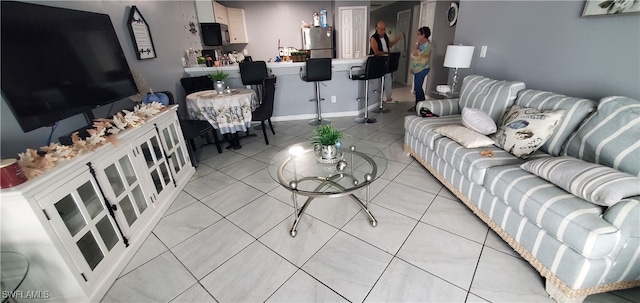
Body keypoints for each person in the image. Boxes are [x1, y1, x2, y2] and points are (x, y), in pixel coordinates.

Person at [370, 21, 404, 103]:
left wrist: (399, 38)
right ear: (377, 29)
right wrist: (387, 53)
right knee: (378, 80)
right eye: (382, 29)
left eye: (385, 29)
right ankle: (377, 99)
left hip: (386, 61)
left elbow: (390, 44)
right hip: (377, 61)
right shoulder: (373, 38)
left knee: (388, 78)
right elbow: (376, 52)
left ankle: (389, 98)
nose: (384, 31)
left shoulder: (385, 36)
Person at [408, 26, 432, 112]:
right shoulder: (420, 44)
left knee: (418, 87)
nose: (417, 36)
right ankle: (419, 105)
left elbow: (415, 55)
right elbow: (414, 56)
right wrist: (413, 68)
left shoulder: (428, 45)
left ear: (423, 35)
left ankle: (420, 105)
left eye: (418, 34)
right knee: (417, 88)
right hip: (417, 68)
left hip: (423, 68)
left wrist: (416, 46)